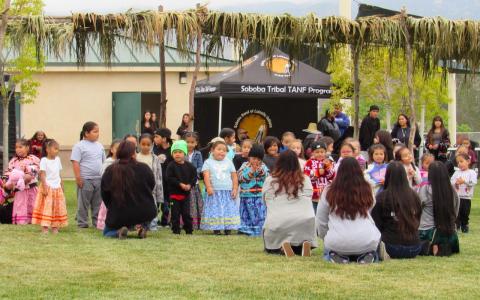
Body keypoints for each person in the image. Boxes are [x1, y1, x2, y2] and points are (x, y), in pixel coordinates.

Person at [316, 157, 381, 264]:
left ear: (339, 171)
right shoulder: (368, 189)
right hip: (367, 240)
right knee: (369, 246)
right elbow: (371, 209)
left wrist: (326, 237)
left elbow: (321, 218)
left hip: (337, 242)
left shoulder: (329, 191)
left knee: (332, 249)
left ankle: (337, 255)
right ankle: (367, 255)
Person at [263, 150, 317, 257]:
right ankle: (303, 245)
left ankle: (283, 246)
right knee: (301, 230)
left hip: (279, 221)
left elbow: (265, 200)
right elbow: (309, 197)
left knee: (271, 247)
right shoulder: (305, 179)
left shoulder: (270, 180)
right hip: (304, 220)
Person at [101, 140, 157, 239]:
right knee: (139, 217)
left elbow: (105, 193)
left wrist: (112, 207)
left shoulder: (110, 170)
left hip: (119, 212)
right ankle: (140, 229)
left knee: (107, 233)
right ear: (133, 153)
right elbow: (151, 185)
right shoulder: (144, 168)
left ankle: (119, 232)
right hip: (145, 212)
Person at [372, 162, 422, 259]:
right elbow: (418, 219)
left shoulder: (382, 197)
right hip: (414, 247)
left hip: (390, 247)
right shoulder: (414, 196)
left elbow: (376, 224)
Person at [418, 161, 460, 256]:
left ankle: (433, 244)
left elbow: (417, 208)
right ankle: (439, 244)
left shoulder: (425, 189)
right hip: (448, 230)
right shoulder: (452, 190)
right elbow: (455, 211)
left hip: (426, 231)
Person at [71, 121, 106, 228]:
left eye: (98, 131)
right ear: (86, 133)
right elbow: (75, 162)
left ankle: (97, 222)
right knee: (83, 203)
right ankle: (82, 222)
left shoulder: (100, 146)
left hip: (98, 179)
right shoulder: (79, 146)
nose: (97, 134)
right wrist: (78, 178)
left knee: (97, 203)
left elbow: (103, 161)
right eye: (95, 132)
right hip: (85, 179)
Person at [201, 140, 240, 235]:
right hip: (215, 191)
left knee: (228, 209)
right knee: (216, 209)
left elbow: (234, 176)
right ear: (212, 150)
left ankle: (228, 228)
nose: (221, 152)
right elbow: (206, 176)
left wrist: (235, 188)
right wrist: (209, 187)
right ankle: (216, 228)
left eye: (224, 150)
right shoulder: (208, 162)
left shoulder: (229, 162)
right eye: (219, 149)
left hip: (227, 191)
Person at [32, 139, 68, 233]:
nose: (57, 151)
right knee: (47, 207)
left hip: (57, 187)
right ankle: (45, 226)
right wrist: (44, 186)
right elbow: (42, 174)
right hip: (48, 186)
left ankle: (55, 226)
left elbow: (59, 173)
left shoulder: (58, 160)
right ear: (48, 149)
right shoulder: (44, 160)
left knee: (56, 207)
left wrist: (62, 184)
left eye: (58, 149)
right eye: (55, 148)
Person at [4, 139, 40, 224]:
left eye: (20, 147)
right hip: (19, 188)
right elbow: (8, 172)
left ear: (27, 148)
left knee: (32, 203)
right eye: (16, 147)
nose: (18, 149)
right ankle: (21, 221)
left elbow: (37, 168)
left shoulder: (33, 158)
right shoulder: (14, 161)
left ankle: (33, 220)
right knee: (20, 204)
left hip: (32, 187)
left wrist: (27, 170)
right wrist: (7, 181)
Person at [166, 140, 197, 235]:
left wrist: (189, 185)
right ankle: (175, 230)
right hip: (174, 194)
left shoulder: (190, 167)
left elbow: (194, 177)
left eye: (180, 152)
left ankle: (189, 229)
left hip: (185, 195)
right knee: (175, 214)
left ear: (185, 153)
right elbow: (169, 178)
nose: (177, 154)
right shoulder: (171, 166)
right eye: (175, 152)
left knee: (186, 213)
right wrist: (180, 184)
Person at [237, 144, 269, 236]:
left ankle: (259, 230)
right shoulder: (244, 166)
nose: (256, 161)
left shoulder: (263, 167)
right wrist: (250, 173)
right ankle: (245, 230)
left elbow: (268, 178)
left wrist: (261, 172)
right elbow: (240, 178)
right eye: (254, 158)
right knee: (246, 213)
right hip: (246, 195)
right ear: (249, 157)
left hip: (259, 195)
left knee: (259, 213)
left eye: (259, 159)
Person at [137, 134, 164, 231]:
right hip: (138, 189)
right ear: (139, 144)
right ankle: (139, 226)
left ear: (152, 144)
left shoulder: (155, 158)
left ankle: (152, 226)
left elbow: (159, 175)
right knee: (139, 207)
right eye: (143, 144)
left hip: (151, 188)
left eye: (148, 144)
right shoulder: (136, 157)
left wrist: (159, 192)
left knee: (152, 207)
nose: (145, 146)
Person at [97, 139, 121, 230]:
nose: (118, 150)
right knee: (107, 207)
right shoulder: (108, 162)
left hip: (120, 190)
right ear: (112, 150)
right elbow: (103, 174)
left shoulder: (123, 162)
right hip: (110, 189)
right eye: (117, 148)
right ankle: (104, 224)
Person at [304, 141, 335, 212]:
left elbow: (332, 176)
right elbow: (306, 176)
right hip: (314, 195)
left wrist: (327, 168)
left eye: (322, 152)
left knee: (326, 213)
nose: (320, 154)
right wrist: (317, 173)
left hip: (327, 194)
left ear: (325, 152)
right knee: (314, 214)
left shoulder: (329, 162)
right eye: (317, 152)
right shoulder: (309, 162)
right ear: (312, 153)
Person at [451, 153, 477, 233]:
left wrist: (464, 181)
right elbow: (451, 181)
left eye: (461, 161)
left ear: (468, 161)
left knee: (465, 213)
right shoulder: (457, 173)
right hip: (457, 197)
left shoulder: (471, 172)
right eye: (458, 162)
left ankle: (465, 225)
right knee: (457, 213)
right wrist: (455, 183)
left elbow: (473, 182)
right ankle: (457, 226)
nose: (459, 164)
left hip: (466, 197)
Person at [153, 128, 173, 227]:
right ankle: (154, 221)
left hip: (168, 182)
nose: (154, 139)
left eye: (157, 137)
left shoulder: (173, 150)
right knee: (155, 202)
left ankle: (165, 222)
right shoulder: (155, 149)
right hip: (157, 181)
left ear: (164, 139)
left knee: (166, 204)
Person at [184, 132, 204, 230]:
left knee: (195, 202)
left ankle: (195, 223)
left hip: (194, 182)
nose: (190, 144)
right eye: (187, 142)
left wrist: (195, 172)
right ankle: (182, 222)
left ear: (196, 143)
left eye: (192, 142)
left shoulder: (198, 154)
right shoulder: (182, 153)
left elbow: (201, 166)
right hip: (184, 182)